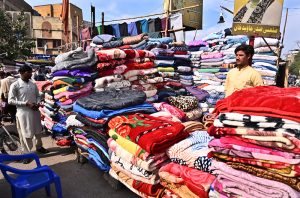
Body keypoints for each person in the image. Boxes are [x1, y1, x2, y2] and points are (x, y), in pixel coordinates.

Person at [8, 65, 49, 164]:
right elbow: (10, 101)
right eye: (28, 72)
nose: (31, 74)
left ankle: (39, 147)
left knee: (38, 131)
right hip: (23, 113)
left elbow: (37, 96)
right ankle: (27, 154)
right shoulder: (15, 85)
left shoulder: (32, 84)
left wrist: (38, 103)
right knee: (25, 134)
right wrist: (25, 103)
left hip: (35, 111)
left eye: (31, 72)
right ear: (21, 73)